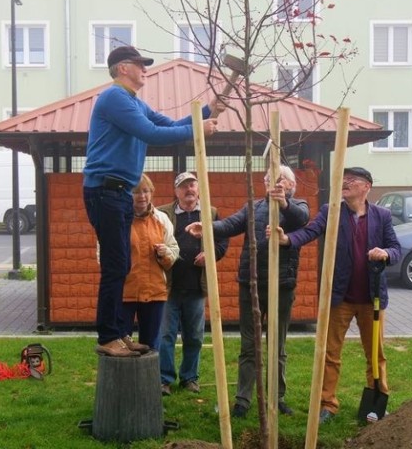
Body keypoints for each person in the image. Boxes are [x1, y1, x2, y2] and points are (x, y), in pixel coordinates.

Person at [82, 45, 222, 357]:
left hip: (116, 192)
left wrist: (208, 111)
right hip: (105, 190)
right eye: (139, 64)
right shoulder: (114, 97)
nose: (145, 69)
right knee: (116, 265)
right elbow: (151, 133)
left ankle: (118, 334)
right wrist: (199, 129)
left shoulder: (133, 102)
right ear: (122, 69)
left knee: (121, 263)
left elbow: (169, 125)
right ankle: (108, 336)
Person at [272, 167, 401, 424]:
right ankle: (327, 404)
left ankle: (377, 402)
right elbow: (310, 231)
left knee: (376, 353)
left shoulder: (382, 215)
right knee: (330, 353)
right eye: (342, 180)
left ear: (366, 187)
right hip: (340, 297)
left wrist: (385, 254)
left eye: (351, 180)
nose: (345, 184)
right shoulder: (331, 212)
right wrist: (287, 239)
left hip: (371, 297)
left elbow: (396, 248)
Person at [186, 165, 310, 417]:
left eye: (277, 180)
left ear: (289, 184)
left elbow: (300, 219)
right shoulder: (253, 207)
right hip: (250, 283)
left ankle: (277, 398)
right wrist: (208, 227)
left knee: (277, 345)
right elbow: (231, 224)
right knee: (248, 345)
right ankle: (243, 400)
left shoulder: (299, 205)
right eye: (267, 179)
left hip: (282, 285)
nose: (270, 183)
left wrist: (284, 204)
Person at [158, 171, 229, 395]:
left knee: (194, 336)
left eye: (192, 185)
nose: (189, 190)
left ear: (198, 189)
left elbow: (222, 242)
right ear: (176, 191)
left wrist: (210, 254)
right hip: (168, 286)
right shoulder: (163, 214)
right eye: (183, 186)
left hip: (197, 287)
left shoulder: (211, 212)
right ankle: (164, 379)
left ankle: (190, 378)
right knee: (166, 335)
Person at [121, 173, 179, 352]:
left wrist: (165, 253)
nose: (142, 196)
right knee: (122, 345)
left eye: (146, 191)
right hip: (124, 292)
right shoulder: (119, 219)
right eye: (136, 192)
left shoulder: (162, 219)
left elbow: (174, 250)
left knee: (151, 346)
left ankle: (150, 380)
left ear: (152, 193)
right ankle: (124, 380)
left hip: (154, 292)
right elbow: (103, 252)